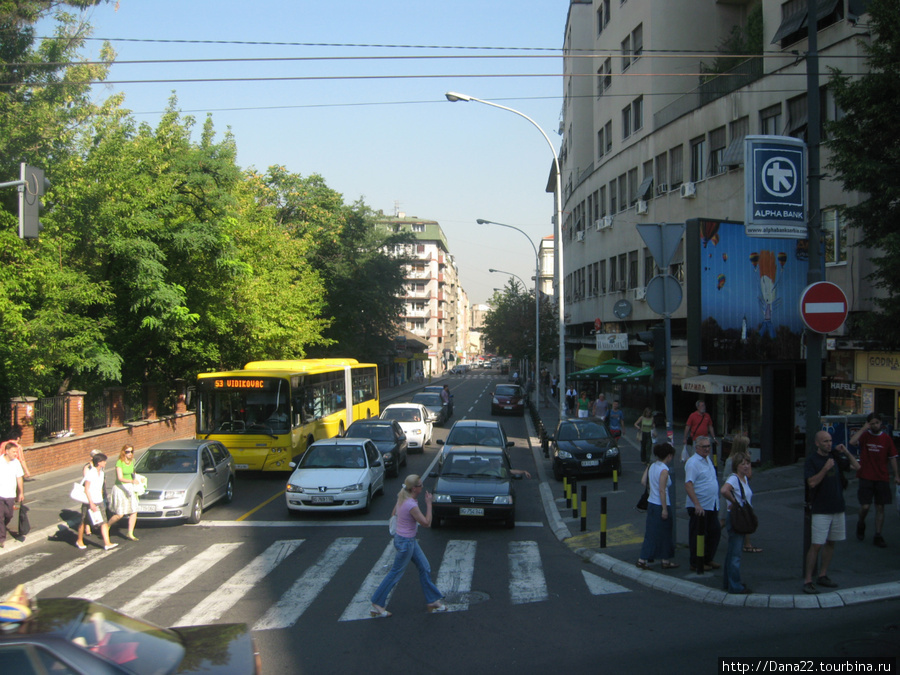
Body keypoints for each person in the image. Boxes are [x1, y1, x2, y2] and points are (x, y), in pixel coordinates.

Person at [370, 474, 445, 617]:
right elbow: (426, 523)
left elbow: (394, 513)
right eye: (421, 485)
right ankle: (377, 603)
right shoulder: (411, 504)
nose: (423, 487)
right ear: (415, 488)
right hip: (406, 542)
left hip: (406, 540)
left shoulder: (402, 497)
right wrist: (429, 504)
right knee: (395, 573)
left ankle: (432, 600)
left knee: (425, 567)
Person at [803, 430, 859, 594]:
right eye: (825, 441)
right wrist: (825, 469)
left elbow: (857, 467)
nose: (828, 444)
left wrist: (846, 452)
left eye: (830, 440)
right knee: (816, 545)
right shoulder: (812, 461)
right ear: (817, 443)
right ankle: (808, 579)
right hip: (821, 508)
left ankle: (823, 574)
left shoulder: (835, 457)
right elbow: (811, 483)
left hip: (837, 507)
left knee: (831, 542)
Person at [849, 413, 899, 548]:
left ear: (881, 423)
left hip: (881, 477)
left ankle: (878, 534)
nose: (875, 425)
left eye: (877, 422)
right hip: (865, 475)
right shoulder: (865, 436)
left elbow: (893, 457)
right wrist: (863, 428)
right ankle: (861, 522)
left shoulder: (887, 439)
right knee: (865, 506)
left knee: (880, 507)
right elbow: (852, 442)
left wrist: (896, 475)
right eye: (872, 423)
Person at [636, 443, 678, 570]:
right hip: (661, 505)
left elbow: (643, 481)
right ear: (669, 456)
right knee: (665, 533)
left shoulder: (652, 466)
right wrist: (665, 509)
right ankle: (647, 559)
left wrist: (651, 488)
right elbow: (662, 490)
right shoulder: (664, 470)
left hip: (651, 503)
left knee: (651, 532)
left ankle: (653, 559)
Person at [684, 435, 722, 572]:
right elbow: (688, 484)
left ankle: (707, 558)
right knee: (698, 534)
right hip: (699, 506)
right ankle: (696, 562)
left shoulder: (707, 460)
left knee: (714, 532)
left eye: (708, 446)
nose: (707, 449)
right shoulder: (693, 463)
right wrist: (697, 504)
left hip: (711, 504)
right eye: (704, 446)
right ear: (697, 448)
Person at [720, 451, 754, 594]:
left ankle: (729, 582)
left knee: (732, 552)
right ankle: (735, 586)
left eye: (747, 463)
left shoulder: (743, 478)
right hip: (735, 518)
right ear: (736, 466)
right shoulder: (734, 479)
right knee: (735, 554)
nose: (746, 466)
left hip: (738, 517)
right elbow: (724, 490)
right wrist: (735, 502)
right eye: (742, 464)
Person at [722, 435, 761, 553]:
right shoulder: (731, 462)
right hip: (734, 496)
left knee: (745, 516)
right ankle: (709, 537)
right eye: (747, 446)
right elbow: (726, 481)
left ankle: (747, 543)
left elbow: (749, 476)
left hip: (743, 495)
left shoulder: (745, 461)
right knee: (725, 520)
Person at [75, 453, 118, 551]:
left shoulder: (102, 473)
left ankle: (107, 543)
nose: (105, 463)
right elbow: (87, 489)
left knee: (104, 522)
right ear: (99, 463)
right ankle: (79, 540)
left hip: (99, 500)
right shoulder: (91, 473)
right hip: (90, 501)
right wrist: (91, 503)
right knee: (84, 521)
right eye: (104, 461)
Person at [107, 445, 139, 542]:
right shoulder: (119, 462)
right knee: (120, 514)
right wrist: (131, 482)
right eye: (127, 451)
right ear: (123, 452)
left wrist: (137, 479)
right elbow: (120, 478)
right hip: (120, 488)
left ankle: (130, 532)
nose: (130, 454)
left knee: (133, 511)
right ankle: (107, 526)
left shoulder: (132, 461)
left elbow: (133, 473)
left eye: (131, 451)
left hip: (129, 488)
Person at [0, 440, 25, 548]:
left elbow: (19, 478)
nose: (16, 454)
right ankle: (1, 538)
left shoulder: (16, 463)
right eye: (14, 452)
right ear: (7, 451)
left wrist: (20, 493)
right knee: (0, 516)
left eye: (16, 452)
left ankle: (2, 528)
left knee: (9, 515)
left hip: (11, 494)